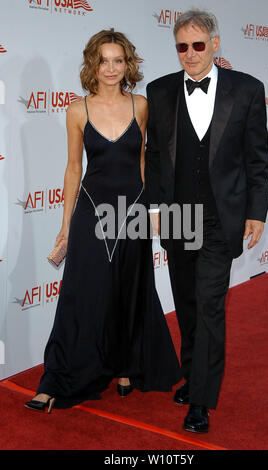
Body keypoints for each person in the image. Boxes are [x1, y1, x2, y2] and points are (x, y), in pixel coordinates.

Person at [25, 29, 181, 413]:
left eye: (118, 60)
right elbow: (73, 168)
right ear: (92, 63)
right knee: (82, 293)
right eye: (103, 60)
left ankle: (127, 366)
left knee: (131, 287)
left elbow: (145, 161)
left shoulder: (140, 106)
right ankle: (57, 378)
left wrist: (155, 210)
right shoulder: (77, 110)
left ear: (127, 64)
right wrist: (65, 225)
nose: (111, 68)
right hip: (92, 212)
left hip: (134, 212)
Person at [145, 9, 268, 433]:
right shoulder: (159, 91)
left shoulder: (248, 90)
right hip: (179, 216)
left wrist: (256, 211)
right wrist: (156, 208)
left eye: (199, 45)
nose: (191, 54)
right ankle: (192, 372)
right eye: (182, 46)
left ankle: (201, 399)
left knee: (211, 305)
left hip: (221, 218)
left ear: (215, 44)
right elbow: (157, 158)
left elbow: (258, 159)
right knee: (187, 304)